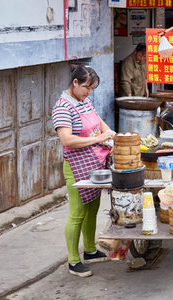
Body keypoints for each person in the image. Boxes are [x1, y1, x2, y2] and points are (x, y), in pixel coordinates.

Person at [52, 64, 115, 277]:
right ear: (75, 83)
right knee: (77, 214)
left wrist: (109, 133)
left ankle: (90, 251)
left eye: (92, 88)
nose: (89, 92)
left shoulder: (83, 101)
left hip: (94, 164)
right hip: (76, 167)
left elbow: (98, 121)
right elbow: (66, 139)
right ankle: (73, 261)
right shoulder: (63, 106)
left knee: (92, 209)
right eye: (86, 87)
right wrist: (98, 138)